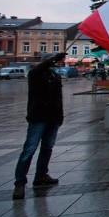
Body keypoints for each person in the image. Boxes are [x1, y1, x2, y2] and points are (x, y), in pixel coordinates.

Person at [13, 52, 67, 200]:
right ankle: (19, 183)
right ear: (46, 62)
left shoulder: (55, 76)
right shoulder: (35, 75)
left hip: (53, 118)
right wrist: (54, 58)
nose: (55, 63)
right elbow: (38, 69)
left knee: (47, 148)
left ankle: (41, 175)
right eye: (52, 61)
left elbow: (58, 98)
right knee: (29, 149)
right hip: (38, 117)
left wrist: (60, 116)